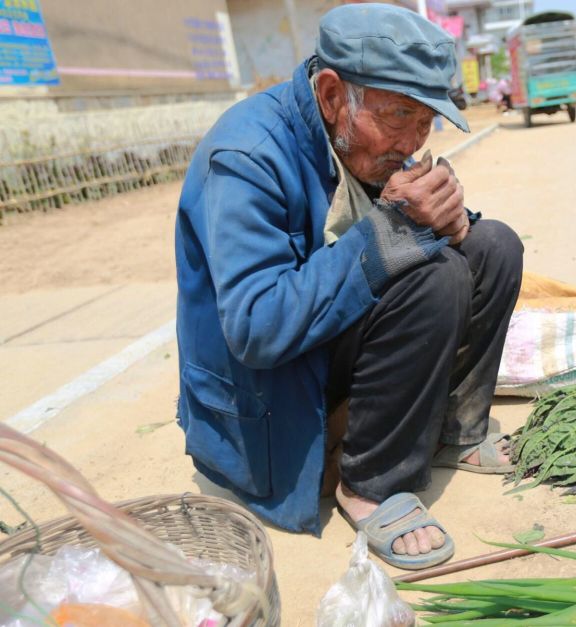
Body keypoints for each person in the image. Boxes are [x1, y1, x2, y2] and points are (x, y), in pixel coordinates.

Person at [174, 4, 524, 570]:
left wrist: (449, 222)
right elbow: (257, 329)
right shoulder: (246, 156)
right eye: (398, 117)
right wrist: (397, 232)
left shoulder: (360, 139)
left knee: (493, 246)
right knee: (433, 278)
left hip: (322, 339)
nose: (411, 143)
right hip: (267, 389)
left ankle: (454, 430)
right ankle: (370, 486)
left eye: (425, 121)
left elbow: (382, 234)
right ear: (333, 95)